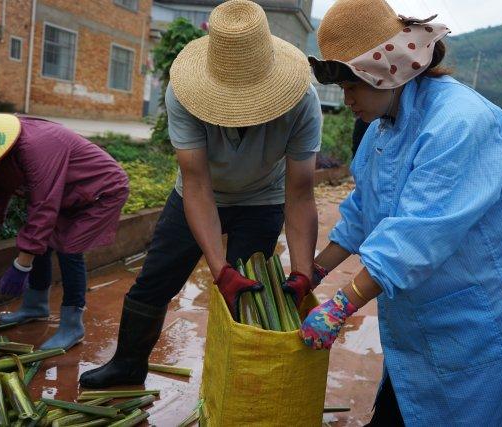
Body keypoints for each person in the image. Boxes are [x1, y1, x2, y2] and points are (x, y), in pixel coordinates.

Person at [300, 0, 502, 425]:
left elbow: (417, 233)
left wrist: (341, 304)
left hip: (482, 312)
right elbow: (363, 212)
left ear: (387, 71)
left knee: (474, 408)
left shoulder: (458, 122)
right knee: (413, 403)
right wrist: (315, 272)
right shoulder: (381, 131)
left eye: (352, 85)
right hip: (430, 313)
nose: (348, 98)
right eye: (342, 87)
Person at [79, 0, 324, 388]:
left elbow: (300, 194)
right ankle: (127, 364)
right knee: (155, 280)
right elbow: (196, 183)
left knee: (252, 296)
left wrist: (303, 269)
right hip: (197, 193)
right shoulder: (183, 94)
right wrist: (219, 268)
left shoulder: (302, 102)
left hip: (263, 199)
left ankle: (238, 380)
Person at [0, 112, 129, 350]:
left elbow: (43, 206)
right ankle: (35, 306)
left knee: (68, 249)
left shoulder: (36, 145)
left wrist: (22, 266)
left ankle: (73, 326)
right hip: (65, 194)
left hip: (101, 192)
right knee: (42, 239)